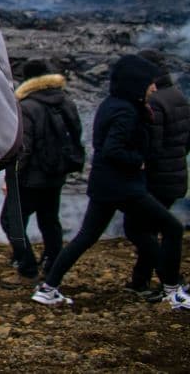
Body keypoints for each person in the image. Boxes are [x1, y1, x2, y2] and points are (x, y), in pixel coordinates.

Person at [32, 54, 189, 309]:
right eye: (149, 83)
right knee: (172, 228)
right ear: (136, 83)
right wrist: (139, 161)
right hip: (124, 187)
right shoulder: (126, 111)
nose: (153, 87)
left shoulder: (113, 104)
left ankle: (48, 288)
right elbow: (112, 149)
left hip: (105, 185)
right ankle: (173, 291)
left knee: (87, 236)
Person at [122, 49, 190, 297]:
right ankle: (141, 281)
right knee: (150, 229)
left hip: (156, 179)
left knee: (136, 229)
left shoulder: (155, 102)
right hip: (175, 176)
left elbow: (152, 146)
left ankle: (169, 279)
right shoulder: (177, 96)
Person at [9, 58, 83, 279]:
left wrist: (13, 175)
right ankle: (54, 263)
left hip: (31, 178)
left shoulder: (27, 106)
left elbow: (24, 147)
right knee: (49, 220)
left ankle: (27, 265)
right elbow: (76, 135)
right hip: (56, 174)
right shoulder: (66, 101)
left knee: (11, 220)